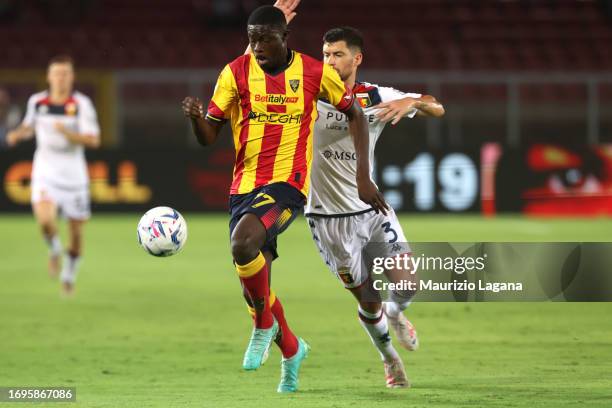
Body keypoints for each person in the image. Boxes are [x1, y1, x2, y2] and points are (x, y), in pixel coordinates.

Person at [182, 4, 385, 393]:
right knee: (255, 290)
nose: (257, 46)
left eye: (265, 38)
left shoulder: (313, 72)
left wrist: (363, 177)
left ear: (284, 37)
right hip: (243, 189)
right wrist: (195, 118)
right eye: (252, 38)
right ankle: (292, 350)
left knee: (243, 243)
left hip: (288, 187)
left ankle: (261, 328)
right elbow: (208, 136)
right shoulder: (235, 73)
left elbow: (355, 113)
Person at [303, 26, 445, 388]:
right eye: (326, 54)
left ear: (357, 58)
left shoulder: (375, 96)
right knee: (368, 299)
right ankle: (390, 360)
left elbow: (437, 107)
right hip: (327, 218)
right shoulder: (308, 94)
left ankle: (397, 314)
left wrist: (410, 102)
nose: (330, 61)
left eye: (337, 54)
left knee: (408, 284)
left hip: (371, 208)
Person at [7, 55, 101, 295]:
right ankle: (55, 249)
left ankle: (68, 276)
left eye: (65, 74)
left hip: (74, 177)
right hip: (45, 172)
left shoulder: (81, 104)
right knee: (45, 221)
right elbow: (30, 126)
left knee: (77, 235)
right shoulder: (37, 102)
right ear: (48, 77)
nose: (60, 78)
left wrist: (68, 134)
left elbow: (94, 140)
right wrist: (18, 134)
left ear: (72, 77)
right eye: (56, 73)